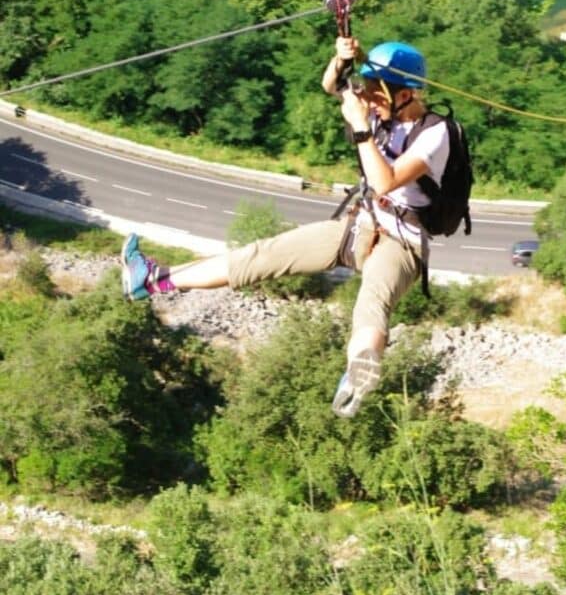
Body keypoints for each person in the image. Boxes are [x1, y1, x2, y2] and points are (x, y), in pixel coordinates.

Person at [121, 37, 450, 418]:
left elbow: (385, 182)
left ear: (407, 94)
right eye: (370, 90)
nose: (370, 97)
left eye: (378, 92)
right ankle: (152, 280)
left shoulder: (435, 133)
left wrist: (361, 127)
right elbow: (333, 85)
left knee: (371, 304)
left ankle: (358, 375)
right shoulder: (380, 110)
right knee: (263, 255)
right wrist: (340, 59)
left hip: (400, 244)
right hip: (359, 228)